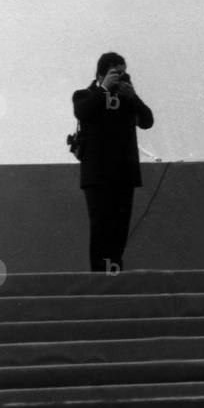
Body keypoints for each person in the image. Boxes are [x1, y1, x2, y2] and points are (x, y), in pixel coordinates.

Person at [72, 52, 154, 273]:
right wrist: (104, 89)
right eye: (114, 73)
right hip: (97, 176)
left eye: (123, 73)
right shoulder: (84, 95)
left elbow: (147, 121)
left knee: (119, 230)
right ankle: (100, 279)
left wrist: (133, 97)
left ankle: (114, 275)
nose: (120, 77)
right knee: (101, 228)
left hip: (124, 175)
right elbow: (83, 111)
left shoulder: (127, 100)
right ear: (100, 75)